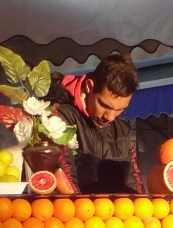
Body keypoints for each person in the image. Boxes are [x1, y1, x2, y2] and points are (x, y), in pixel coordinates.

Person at [48, 51, 144, 193]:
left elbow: (134, 186)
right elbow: (64, 178)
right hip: (74, 207)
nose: (110, 117)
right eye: (104, 105)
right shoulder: (57, 116)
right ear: (89, 86)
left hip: (116, 208)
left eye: (120, 109)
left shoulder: (123, 130)